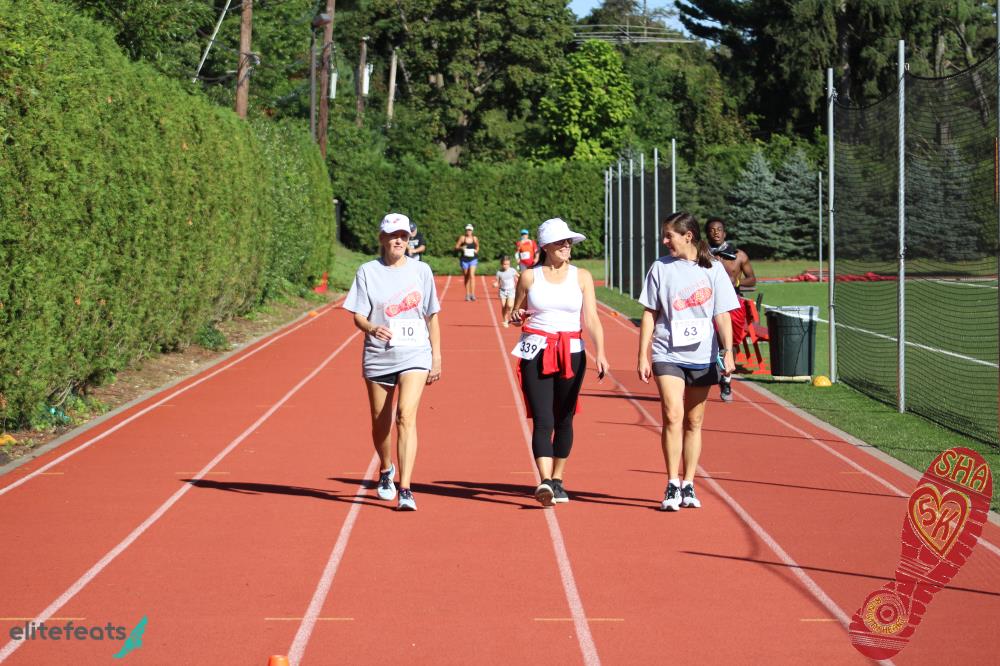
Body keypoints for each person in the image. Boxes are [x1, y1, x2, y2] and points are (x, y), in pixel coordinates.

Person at [638, 212, 739, 512]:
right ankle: (672, 482)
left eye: (669, 236)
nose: (664, 241)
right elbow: (649, 313)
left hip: (702, 355)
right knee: (673, 415)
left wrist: (728, 351)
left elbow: (722, 314)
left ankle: (689, 482)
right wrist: (642, 354)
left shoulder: (713, 269)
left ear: (688, 236)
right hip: (667, 352)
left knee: (694, 421)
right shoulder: (660, 267)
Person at [344, 213, 442, 511]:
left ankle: (406, 488)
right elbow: (358, 315)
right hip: (380, 354)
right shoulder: (367, 271)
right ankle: (386, 468)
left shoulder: (422, 271)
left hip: (415, 352)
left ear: (409, 239)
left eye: (403, 235)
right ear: (382, 238)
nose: (398, 240)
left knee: (405, 416)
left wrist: (436, 356)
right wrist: (372, 327)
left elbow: (432, 315)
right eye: (392, 235)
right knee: (380, 420)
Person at [510, 218, 609, 506]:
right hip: (536, 352)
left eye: (569, 241)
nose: (567, 246)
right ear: (545, 246)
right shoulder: (529, 277)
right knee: (543, 419)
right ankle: (544, 481)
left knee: (564, 417)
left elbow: (592, 318)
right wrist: (516, 315)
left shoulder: (582, 276)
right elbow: (516, 312)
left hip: (572, 352)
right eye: (561, 242)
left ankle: (557, 478)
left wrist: (601, 353)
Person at [705, 218, 757, 402]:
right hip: (707, 301)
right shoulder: (700, 254)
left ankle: (726, 379)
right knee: (708, 340)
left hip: (732, 303)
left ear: (725, 233)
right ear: (707, 233)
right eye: (712, 230)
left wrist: (736, 281)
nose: (716, 233)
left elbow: (752, 279)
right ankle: (701, 374)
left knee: (730, 342)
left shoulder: (739, 255)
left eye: (719, 229)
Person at [454, 223, 480, 301]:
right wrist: (461, 248)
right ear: (465, 230)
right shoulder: (462, 238)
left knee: (472, 275)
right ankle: (468, 294)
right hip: (464, 260)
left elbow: (477, 246)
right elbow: (456, 247)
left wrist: (476, 250)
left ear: (472, 231)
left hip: (473, 259)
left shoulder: (475, 238)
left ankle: (473, 294)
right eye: (467, 230)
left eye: (470, 230)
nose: (469, 231)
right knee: (466, 276)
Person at [492, 255, 519, 327]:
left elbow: (518, 276)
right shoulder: (499, 272)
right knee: (504, 306)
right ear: (501, 264)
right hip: (502, 291)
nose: (506, 266)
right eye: (504, 264)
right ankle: (505, 320)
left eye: (508, 264)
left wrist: (519, 279)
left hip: (511, 290)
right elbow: (497, 281)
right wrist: (495, 284)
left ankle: (511, 315)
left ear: (509, 264)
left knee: (510, 305)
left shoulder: (512, 270)